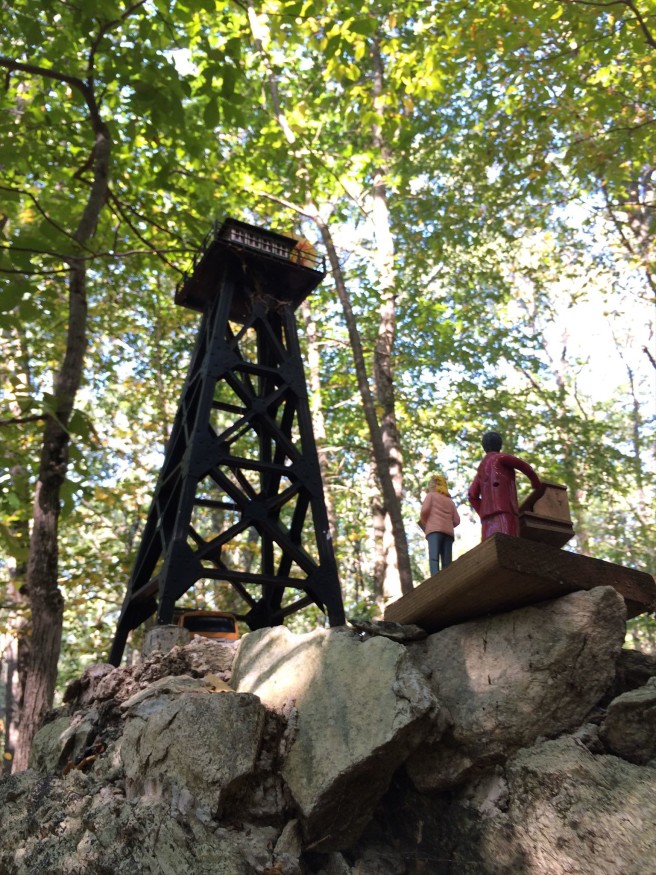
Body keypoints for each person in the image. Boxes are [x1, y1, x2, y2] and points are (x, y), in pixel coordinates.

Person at [468, 431, 544, 541]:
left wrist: (484, 511)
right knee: (509, 541)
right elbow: (525, 467)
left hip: (487, 517)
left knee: (490, 545)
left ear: (484, 447)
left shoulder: (481, 468)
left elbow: (472, 495)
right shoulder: (501, 458)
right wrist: (536, 483)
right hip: (505, 509)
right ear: (500, 445)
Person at [419, 475, 460, 575]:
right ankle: (447, 579)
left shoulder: (431, 496)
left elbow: (424, 511)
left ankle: (435, 578)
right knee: (447, 561)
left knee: (434, 557)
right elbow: (457, 520)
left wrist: (426, 522)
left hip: (434, 530)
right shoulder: (450, 502)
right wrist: (448, 524)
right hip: (448, 533)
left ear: (433, 485)